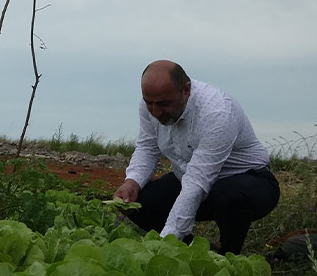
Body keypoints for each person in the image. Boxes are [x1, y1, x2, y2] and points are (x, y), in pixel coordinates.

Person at [113, 60, 280, 254]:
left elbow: (198, 181)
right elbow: (148, 148)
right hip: (189, 178)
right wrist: (131, 182)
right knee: (138, 202)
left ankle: (229, 258)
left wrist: (166, 242)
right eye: (149, 103)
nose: (156, 112)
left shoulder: (217, 113)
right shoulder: (150, 105)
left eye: (164, 104)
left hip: (247, 180)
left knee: (230, 199)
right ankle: (199, 252)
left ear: (186, 90)